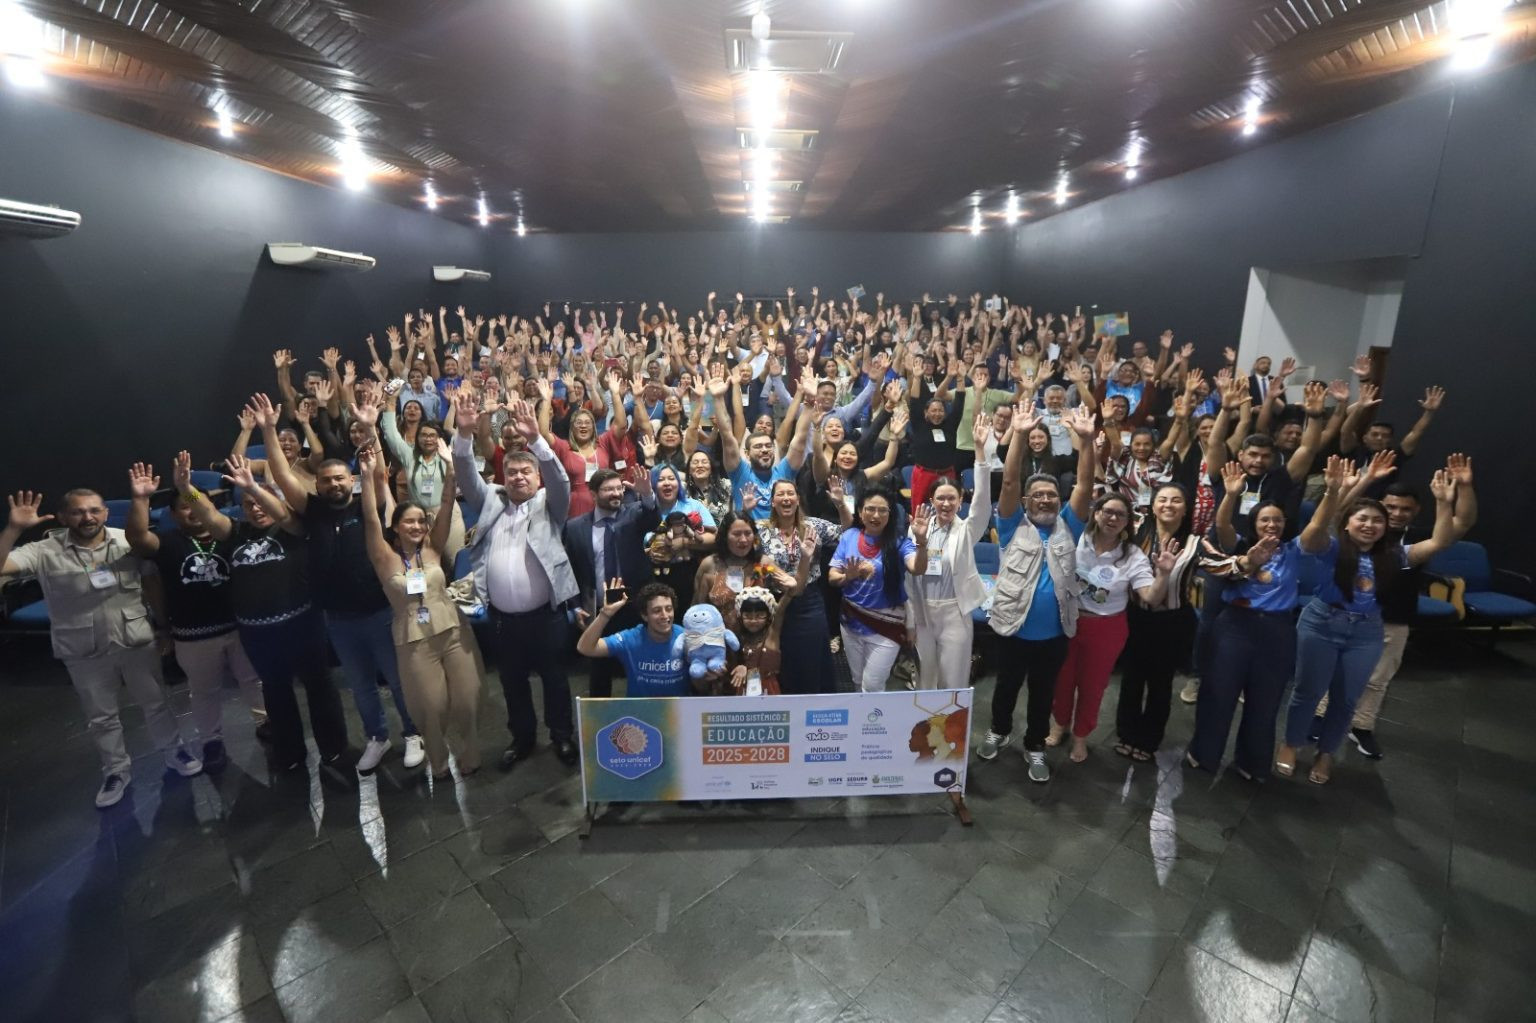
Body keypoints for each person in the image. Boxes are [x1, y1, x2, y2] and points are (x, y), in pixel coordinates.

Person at [252, 393, 425, 772]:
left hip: (379, 611)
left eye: (339, 478)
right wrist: (267, 430)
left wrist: (370, 427)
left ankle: (413, 733)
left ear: (351, 480)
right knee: (361, 686)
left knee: (397, 680)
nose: (333, 484)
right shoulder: (312, 510)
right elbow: (282, 475)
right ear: (317, 484)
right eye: (326, 480)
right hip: (339, 619)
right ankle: (377, 737)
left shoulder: (368, 506)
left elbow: (377, 472)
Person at [1, 488, 203, 808]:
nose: (88, 517)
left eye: (95, 510)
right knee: (101, 716)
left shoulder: (127, 542)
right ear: (63, 517)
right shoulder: (44, 550)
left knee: (156, 702)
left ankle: (174, 750)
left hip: (134, 639)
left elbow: (151, 583)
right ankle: (116, 770)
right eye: (78, 512)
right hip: (83, 648)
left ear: (106, 513)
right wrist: (13, 530)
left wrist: (163, 626)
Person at [1274, 456, 1461, 784]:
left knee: (1346, 699)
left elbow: (1439, 542)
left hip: (1366, 632)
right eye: (1362, 518)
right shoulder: (1332, 548)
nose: (1370, 524)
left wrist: (1444, 503)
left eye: (1377, 520)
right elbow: (1314, 530)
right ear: (1347, 523)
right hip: (1321, 624)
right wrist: (1333, 491)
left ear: (1385, 528)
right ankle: (1291, 744)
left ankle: (1326, 754)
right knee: (1307, 691)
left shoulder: (1394, 556)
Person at [185, 455, 351, 774]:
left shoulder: (293, 528)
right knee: (275, 691)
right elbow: (207, 513)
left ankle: (333, 747)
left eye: (261, 502)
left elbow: (282, 513)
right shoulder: (235, 532)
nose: (256, 508)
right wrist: (185, 488)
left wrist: (254, 488)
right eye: (249, 504)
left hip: (302, 624)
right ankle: (290, 752)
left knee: (319, 686)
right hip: (258, 633)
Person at [1311, 455, 1477, 758]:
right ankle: (1320, 717)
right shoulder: (1363, 528)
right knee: (1334, 670)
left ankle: (1361, 726)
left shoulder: (1419, 538)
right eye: (1391, 507)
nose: (1398, 514)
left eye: (1405, 509)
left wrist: (1462, 489)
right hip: (1347, 613)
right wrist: (1364, 480)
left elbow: (1462, 523)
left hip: (1394, 616)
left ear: (1416, 511)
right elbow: (1336, 516)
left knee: (1378, 678)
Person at [1185, 456, 1340, 781]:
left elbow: (1317, 526)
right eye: (1265, 520)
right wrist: (1230, 495)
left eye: (1277, 520)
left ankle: (1252, 763)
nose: (1272, 525)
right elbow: (1223, 527)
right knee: (1218, 694)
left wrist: (1332, 491)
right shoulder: (1239, 548)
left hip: (1277, 631)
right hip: (1234, 628)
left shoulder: (1293, 550)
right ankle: (1203, 754)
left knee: (1265, 701)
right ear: (1254, 524)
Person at [450, 391, 581, 768]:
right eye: (512, 472)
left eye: (526, 472)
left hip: (546, 616)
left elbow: (559, 478)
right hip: (503, 619)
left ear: (537, 478)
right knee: (512, 683)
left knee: (555, 679)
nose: (519, 477)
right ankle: (522, 738)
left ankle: (562, 736)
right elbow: (465, 473)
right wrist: (464, 433)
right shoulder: (490, 500)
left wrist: (536, 438)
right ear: (502, 477)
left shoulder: (550, 503)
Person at [978, 405, 1097, 783]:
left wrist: (1087, 442)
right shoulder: (1012, 525)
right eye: (1038, 495)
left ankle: (1034, 746)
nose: (1045, 499)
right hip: (1013, 630)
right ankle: (999, 730)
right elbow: (1009, 482)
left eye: (1051, 495)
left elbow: (1085, 485)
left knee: (1043, 695)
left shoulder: (1069, 526)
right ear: (1027, 502)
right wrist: (1017, 434)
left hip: (1055, 634)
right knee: (1005, 688)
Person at [124, 453, 266, 770]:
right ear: (173, 515)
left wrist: (188, 490)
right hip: (193, 634)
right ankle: (211, 740)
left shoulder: (232, 533)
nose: (194, 511)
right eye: (185, 506)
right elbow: (137, 537)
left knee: (254, 681)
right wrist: (140, 500)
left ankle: (265, 725)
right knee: (204, 692)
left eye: (199, 505)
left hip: (239, 627)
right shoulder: (166, 542)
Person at [357, 446, 482, 781]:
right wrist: (368, 477)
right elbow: (371, 519)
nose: (416, 526)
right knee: (430, 707)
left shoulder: (433, 548)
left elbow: (446, 503)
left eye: (420, 521)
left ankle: (471, 753)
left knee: (468, 699)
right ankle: (438, 761)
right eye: (408, 521)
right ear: (396, 526)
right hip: (414, 641)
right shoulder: (384, 557)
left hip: (453, 631)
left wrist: (450, 467)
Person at [1045, 492, 1176, 763]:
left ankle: (1081, 736)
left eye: (1120, 515)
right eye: (1108, 511)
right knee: (1061, 681)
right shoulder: (1077, 540)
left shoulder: (1132, 556)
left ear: (1128, 522)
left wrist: (1163, 574)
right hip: (1068, 622)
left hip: (1106, 629)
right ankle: (1059, 724)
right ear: (1096, 513)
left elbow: (1150, 597)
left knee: (1092, 687)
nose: (1113, 518)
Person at [1113, 483, 1202, 761]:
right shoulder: (1136, 533)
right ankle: (1126, 734)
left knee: (1160, 684)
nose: (1168, 505)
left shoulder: (1196, 543)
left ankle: (1148, 740)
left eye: (1176, 500)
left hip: (1172, 622)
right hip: (1135, 616)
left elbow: (1223, 564)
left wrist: (1247, 563)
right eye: (1162, 499)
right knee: (1131, 679)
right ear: (1152, 506)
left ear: (1185, 509)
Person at [908, 414, 993, 690]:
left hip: (955, 611)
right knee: (925, 681)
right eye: (940, 498)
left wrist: (979, 451)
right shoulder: (916, 529)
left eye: (951, 498)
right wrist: (910, 620)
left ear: (960, 501)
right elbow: (909, 578)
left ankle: (954, 721)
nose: (946, 503)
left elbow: (982, 504)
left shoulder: (967, 530)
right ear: (931, 500)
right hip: (923, 612)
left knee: (952, 682)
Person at [563, 468, 656, 698]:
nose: (616, 493)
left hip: (635, 606)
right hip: (600, 608)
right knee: (599, 671)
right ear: (593, 494)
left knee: (641, 666)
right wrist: (575, 605)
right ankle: (599, 715)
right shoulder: (575, 527)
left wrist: (647, 495)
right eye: (608, 489)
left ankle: (645, 712)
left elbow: (652, 520)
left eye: (618, 488)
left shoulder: (634, 513)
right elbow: (570, 571)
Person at [757, 478, 849, 694]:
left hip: (809, 602)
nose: (786, 498)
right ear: (772, 502)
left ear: (798, 499)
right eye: (780, 494)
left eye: (790, 493)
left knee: (811, 659)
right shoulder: (760, 529)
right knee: (781, 660)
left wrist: (840, 505)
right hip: (775, 603)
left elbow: (846, 533)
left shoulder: (813, 526)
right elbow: (752, 560)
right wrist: (771, 571)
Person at [829, 489, 926, 692]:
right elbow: (832, 578)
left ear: (890, 514)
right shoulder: (849, 536)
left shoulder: (899, 542)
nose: (876, 515)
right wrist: (849, 576)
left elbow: (917, 568)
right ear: (860, 512)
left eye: (882, 510)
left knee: (873, 686)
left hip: (886, 626)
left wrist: (922, 542)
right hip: (851, 622)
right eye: (870, 509)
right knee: (857, 680)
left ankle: (874, 714)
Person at [575, 581, 694, 697]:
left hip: (679, 709)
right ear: (645, 616)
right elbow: (585, 648)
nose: (665, 615)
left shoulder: (686, 638)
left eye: (668, 609)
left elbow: (700, 684)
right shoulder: (630, 639)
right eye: (657, 611)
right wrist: (605, 614)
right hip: (638, 709)